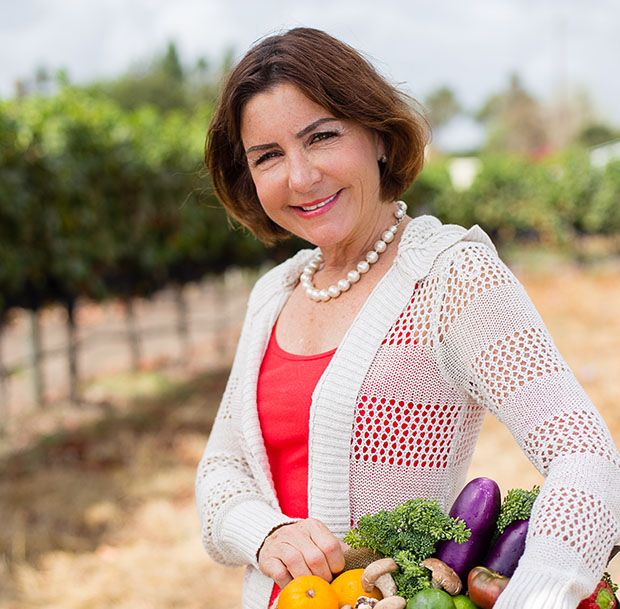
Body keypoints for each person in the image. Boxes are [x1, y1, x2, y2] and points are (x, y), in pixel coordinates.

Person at [195, 27, 620, 609]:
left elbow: (587, 456)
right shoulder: (275, 292)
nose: (300, 176)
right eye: (268, 156)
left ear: (378, 137)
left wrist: (539, 594)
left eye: (321, 137)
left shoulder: (452, 277)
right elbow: (222, 468)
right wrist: (263, 531)